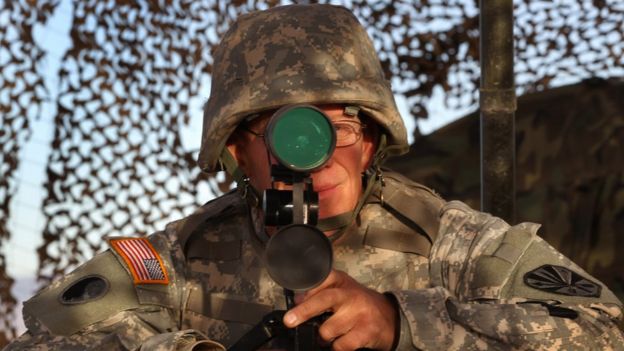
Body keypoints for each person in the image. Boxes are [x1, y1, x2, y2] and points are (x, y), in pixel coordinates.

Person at [5, 4, 624, 351]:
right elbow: (44, 338)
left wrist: (402, 323)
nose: (312, 158)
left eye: (338, 127)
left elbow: (604, 331)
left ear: (373, 137)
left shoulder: (455, 244)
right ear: (236, 153)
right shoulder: (181, 258)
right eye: (280, 134)